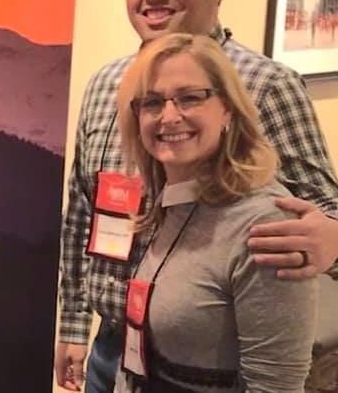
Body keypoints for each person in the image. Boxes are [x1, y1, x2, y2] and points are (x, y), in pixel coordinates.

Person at [55, 0, 338, 392]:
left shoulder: (267, 85)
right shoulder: (106, 85)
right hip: (115, 350)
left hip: (211, 363)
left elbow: (323, 212)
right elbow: (83, 211)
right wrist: (73, 326)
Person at [113, 33, 316, 393]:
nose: (170, 116)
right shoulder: (172, 204)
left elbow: (275, 386)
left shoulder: (264, 224)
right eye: (153, 102)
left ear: (227, 107)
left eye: (190, 98)